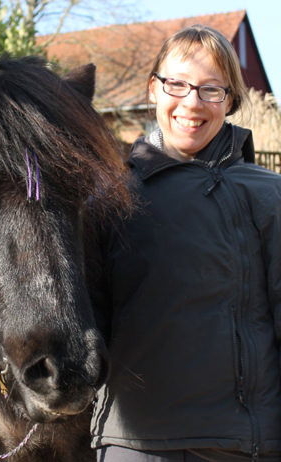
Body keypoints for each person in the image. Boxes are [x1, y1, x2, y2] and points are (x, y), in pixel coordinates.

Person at [89, 24, 281, 462]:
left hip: (243, 445)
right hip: (133, 443)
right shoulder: (106, 200)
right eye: (177, 84)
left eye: (212, 90)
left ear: (230, 101)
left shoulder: (270, 196)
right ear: (153, 89)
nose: (192, 103)